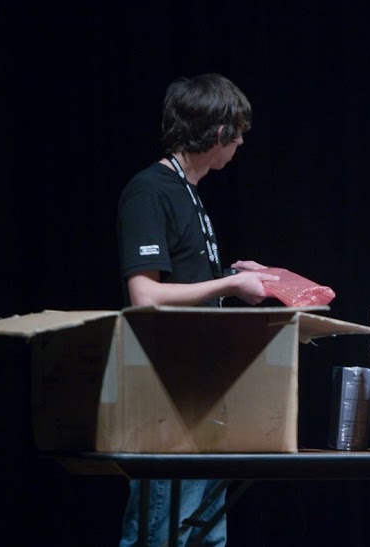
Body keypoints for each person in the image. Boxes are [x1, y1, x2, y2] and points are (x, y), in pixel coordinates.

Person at [116, 73, 280, 546]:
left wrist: (236, 274)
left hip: (204, 383)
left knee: (205, 534)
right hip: (168, 392)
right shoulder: (150, 190)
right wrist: (230, 283)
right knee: (163, 530)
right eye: (239, 133)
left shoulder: (189, 191)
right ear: (219, 132)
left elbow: (187, 285)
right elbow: (145, 295)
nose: (242, 143)